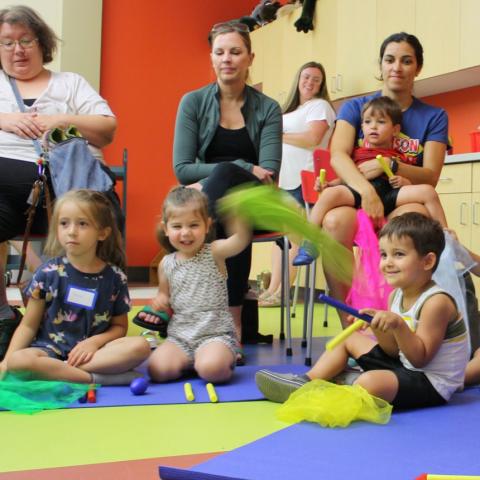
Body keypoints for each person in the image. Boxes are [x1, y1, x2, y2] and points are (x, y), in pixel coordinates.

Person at [256, 213, 469, 409]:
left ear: (428, 261)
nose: (387, 263)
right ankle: (306, 381)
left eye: (399, 254)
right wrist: (379, 327)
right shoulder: (396, 295)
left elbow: (419, 359)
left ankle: (346, 383)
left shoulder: (436, 302)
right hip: (406, 366)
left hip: (432, 382)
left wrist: (397, 324)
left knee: (369, 383)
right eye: (384, 255)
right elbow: (393, 352)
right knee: (348, 338)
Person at [309, 32, 450, 327]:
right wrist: (365, 190)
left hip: (398, 196)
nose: (397, 67)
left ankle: (403, 326)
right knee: (334, 222)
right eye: (390, 59)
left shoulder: (433, 116)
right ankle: (351, 327)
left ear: (418, 68)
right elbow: (338, 155)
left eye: (406, 61)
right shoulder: (355, 107)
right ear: (381, 65)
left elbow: (431, 176)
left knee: (417, 216)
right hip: (359, 196)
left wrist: (390, 165)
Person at [0, 6, 118, 336]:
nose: (17, 49)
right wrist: (5, 120)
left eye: (25, 40)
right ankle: (3, 316)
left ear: (42, 43)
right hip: (10, 199)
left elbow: (108, 128)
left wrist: (59, 120)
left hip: (66, 188)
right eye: (7, 43)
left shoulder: (70, 84)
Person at [172, 21, 282, 348]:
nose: (227, 59)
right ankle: (233, 324)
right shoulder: (192, 103)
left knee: (226, 193)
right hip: (218, 209)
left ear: (250, 57)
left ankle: (193, 313)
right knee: (231, 208)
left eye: (235, 52)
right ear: (211, 58)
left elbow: (270, 173)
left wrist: (224, 174)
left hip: (251, 202)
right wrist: (243, 166)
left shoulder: (269, 109)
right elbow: (181, 169)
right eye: (220, 52)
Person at [0, 190, 151, 384]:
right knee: (18, 361)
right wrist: (6, 362)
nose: (72, 231)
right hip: (48, 352)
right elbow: (28, 325)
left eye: (82, 224)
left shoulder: (115, 278)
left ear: (102, 233)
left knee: (140, 346)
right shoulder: (47, 273)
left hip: (94, 354)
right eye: (64, 223)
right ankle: (96, 379)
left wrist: (94, 342)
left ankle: (58, 373)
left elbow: (120, 327)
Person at [293, 95, 448, 266]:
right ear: (362, 127)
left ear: (395, 129)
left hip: (390, 194)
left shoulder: (400, 156)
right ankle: (310, 241)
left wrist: (405, 181)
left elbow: (412, 177)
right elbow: (350, 177)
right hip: (360, 196)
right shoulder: (358, 153)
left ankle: (446, 240)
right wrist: (331, 185)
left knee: (428, 191)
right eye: (367, 122)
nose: (373, 126)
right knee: (329, 194)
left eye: (381, 122)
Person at [144, 187, 251, 383]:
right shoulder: (166, 264)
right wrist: (159, 301)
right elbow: (164, 296)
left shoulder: (215, 252)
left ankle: (217, 357)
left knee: (212, 370)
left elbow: (240, 240)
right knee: (156, 370)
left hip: (215, 334)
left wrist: (239, 217)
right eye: (177, 227)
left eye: (194, 225)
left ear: (207, 225)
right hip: (180, 336)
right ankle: (193, 361)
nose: (185, 233)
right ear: (166, 228)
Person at [258, 61, 336, 307]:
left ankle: (283, 294)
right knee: (280, 239)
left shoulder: (320, 106)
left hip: (308, 180)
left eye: (316, 79)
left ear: (322, 85)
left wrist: (277, 136)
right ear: (298, 80)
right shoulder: (289, 110)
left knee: (295, 237)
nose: (310, 82)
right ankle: (271, 290)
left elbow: (313, 138)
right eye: (306, 77)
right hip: (285, 179)